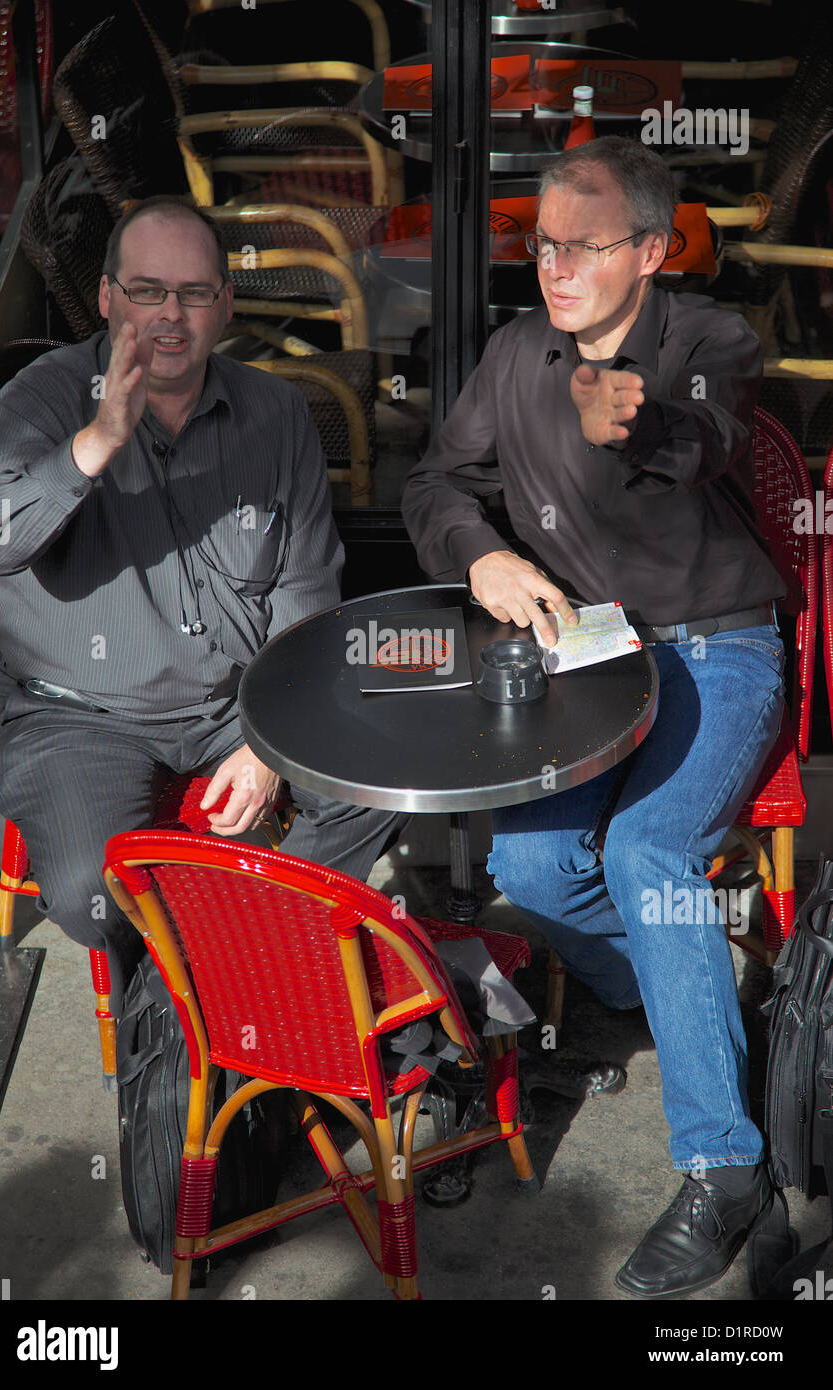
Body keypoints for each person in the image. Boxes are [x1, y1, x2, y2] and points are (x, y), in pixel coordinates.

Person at [402, 137, 787, 1299]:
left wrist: (630, 420)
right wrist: (481, 561)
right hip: (593, 653)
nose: (552, 265)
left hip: (719, 650)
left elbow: (702, 432)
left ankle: (725, 1168)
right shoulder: (516, 354)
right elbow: (433, 486)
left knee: (645, 849)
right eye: (539, 243)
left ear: (653, 252)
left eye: (581, 245)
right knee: (527, 856)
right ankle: (664, 982)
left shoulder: (707, 342)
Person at [0, 195, 407, 1015]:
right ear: (105, 299)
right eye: (146, 290)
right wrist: (95, 443)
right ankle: (263, 993)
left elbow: (306, 593)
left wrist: (272, 741)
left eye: (195, 293)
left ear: (226, 303)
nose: (170, 315)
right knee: (89, 897)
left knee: (382, 776)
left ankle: (239, 984)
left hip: (237, 707)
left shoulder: (273, 411)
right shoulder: (41, 399)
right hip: (81, 716)